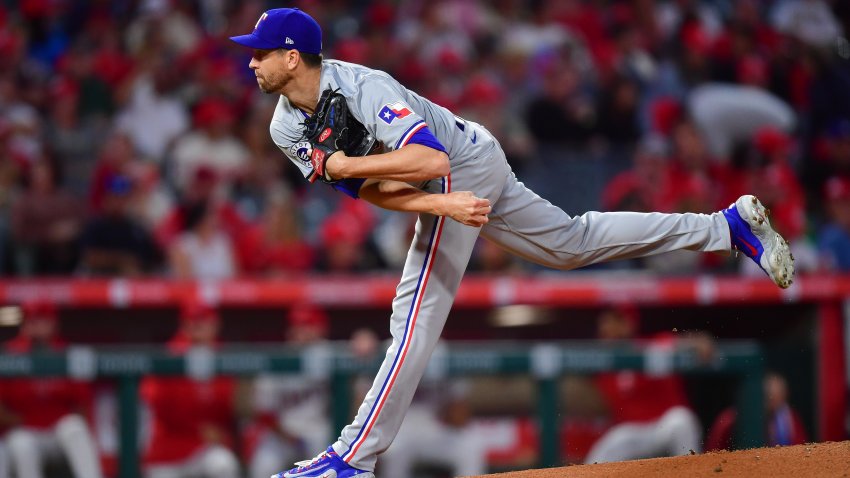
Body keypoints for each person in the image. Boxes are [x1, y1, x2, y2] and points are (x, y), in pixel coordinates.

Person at [229, 8, 795, 477]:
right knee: (572, 243)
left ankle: (350, 459)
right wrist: (438, 204)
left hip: (462, 160)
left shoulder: (361, 86)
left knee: (416, 316)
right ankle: (726, 227)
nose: (250, 60)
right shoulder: (284, 126)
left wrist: (379, 171)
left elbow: (430, 159)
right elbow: (374, 190)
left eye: (259, 51)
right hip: (449, 180)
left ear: (292, 56)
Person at [583, 306, 704, 463]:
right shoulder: (605, 367)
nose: (609, 326)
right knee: (612, 443)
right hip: (633, 433)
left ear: (630, 324)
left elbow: (686, 343)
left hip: (664, 426)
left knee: (682, 420)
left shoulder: (652, 346)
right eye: (607, 321)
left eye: (617, 321)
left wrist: (699, 341)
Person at [0, 300, 104, 478]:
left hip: (57, 433)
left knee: (75, 428)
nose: (37, 326)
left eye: (43, 320)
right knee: (22, 445)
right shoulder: (10, 353)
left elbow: (82, 404)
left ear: (54, 323)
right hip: (25, 432)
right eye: (32, 320)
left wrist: (60, 420)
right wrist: (22, 421)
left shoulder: (66, 353)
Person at [140, 301, 240, 478]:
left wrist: (222, 432)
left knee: (224, 465)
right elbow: (158, 406)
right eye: (193, 322)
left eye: (203, 322)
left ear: (215, 325)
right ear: (184, 325)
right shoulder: (170, 356)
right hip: (170, 448)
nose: (198, 327)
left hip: (205, 448)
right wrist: (197, 429)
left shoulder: (223, 357)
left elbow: (230, 406)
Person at [705, 372, 808, 450]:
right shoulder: (730, 419)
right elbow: (713, 451)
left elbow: (801, 449)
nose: (773, 403)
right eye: (769, 398)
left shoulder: (790, 418)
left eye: (779, 397)